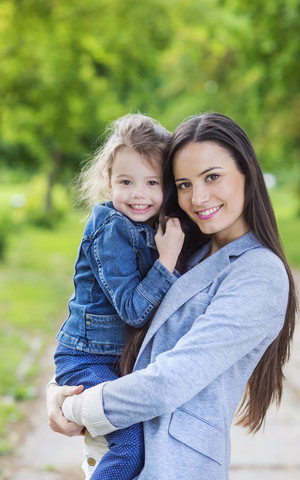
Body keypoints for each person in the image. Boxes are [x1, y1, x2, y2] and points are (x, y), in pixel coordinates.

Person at [47, 112, 297, 480]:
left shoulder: (259, 273)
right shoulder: (186, 248)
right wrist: (57, 391)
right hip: (124, 455)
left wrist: (73, 408)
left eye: (213, 176)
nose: (198, 197)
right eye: (183, 184)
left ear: (248, 173)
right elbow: (120, 330)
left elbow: (168, 381)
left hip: (175, 465)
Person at [53, 113, 185, 480]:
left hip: (116, 361)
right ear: (109, 183)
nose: (139, 193)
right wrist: (167, 261)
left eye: (152, 182)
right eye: (126, 181)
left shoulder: (149, 226)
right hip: (87, 360)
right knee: (128, 449)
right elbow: (133, 310)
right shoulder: (112, 229)